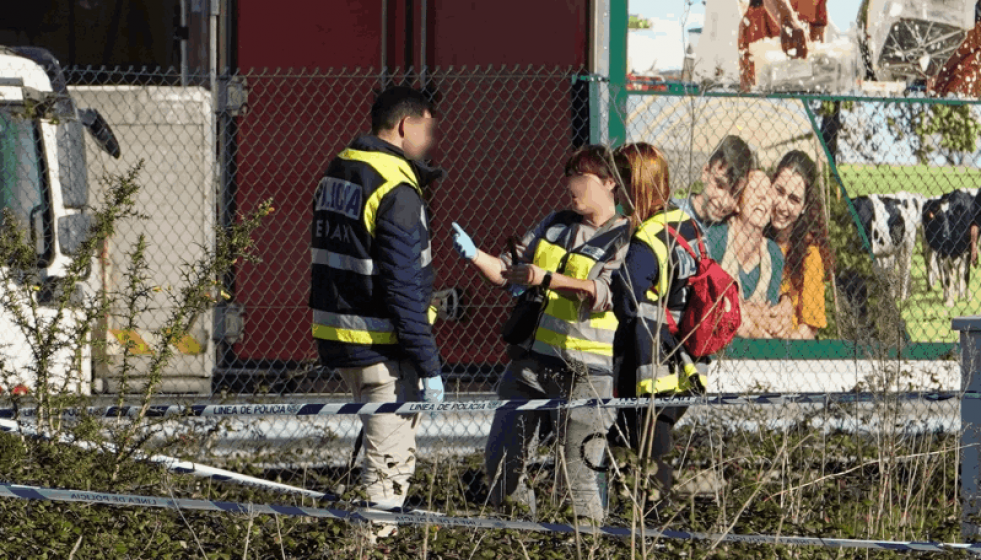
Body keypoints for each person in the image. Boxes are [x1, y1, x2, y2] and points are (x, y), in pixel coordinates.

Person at [451, 145, 631, 523]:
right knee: (501, 467)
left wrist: (546, 278)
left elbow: (603, 294)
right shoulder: (555, 222)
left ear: (609, 182)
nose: (570, 184)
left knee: (577, 482)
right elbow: (510, 274)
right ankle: (519, 540)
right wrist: (474, 255)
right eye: (568, 176)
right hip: (529, 366)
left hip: (587, 377)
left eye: (580, 176)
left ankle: (586, 548)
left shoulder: (626, 237)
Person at [309, 86, 445, 527]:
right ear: (405, 126)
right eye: (428, 129)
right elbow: (403, 289)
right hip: (384, 349)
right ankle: (373, 548)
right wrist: (428, 365)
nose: (432, 141)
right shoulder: (397, 189)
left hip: (341, 338)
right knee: (387, 478)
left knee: (375, 468)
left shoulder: (341, 169)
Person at [608, 142, 705, 506]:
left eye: (621, 181)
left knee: (649, 467)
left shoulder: (648, 238)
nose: (616, 191)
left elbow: (628, 298)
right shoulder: (687, 226)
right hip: (686, 365)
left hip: (652, 367)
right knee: (635, 451)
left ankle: (651, 535)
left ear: (637, 186)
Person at [704, 170, 785, 338]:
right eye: (755, 189)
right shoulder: (717, 237)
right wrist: (754, 312)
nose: (762, 197)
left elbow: (770, 317)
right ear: (738, 203)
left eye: (767, 193)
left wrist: (741, 307)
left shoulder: (774, 254)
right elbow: (710, 304)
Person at [762, 150, 832, 339]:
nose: (782, 206)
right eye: (779, 191)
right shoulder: (755, 233)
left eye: (793, 199)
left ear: (804, 207)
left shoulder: (810, 255)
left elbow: (808, 329)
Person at [671, 135, 754, 231]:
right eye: (719, 185)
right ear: (706, 172)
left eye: (734, 194)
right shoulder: (673, 215)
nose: (724, 202)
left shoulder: (732, 229)